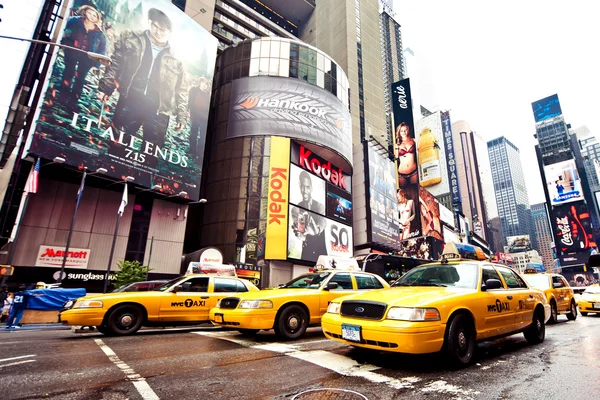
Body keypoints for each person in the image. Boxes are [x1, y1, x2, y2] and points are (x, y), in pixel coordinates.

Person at [97, 8, 188, 167]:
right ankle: (111, 169)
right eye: (155, 26)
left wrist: (181, 115)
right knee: (118, 139)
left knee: (152, 150)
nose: (158, 32)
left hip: (159, 110)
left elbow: (181, 90)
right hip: (130, 99)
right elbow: (116, 63)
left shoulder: (177, 58)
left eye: (163, 29)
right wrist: (106, 87)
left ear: (169, 32)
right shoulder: (131, 39)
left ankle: (146, 181)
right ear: (150, 24)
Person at [58, 5, 107, 109]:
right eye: (90, 13)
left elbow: (101, 51)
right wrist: (64, 45)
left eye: (95, 15)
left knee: (80, 78)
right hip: (72, 52)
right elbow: (66, 33)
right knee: (68, 72)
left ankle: (73, 101)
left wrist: (96, 65)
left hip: (87, 57)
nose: (92, 16)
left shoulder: (99, 33)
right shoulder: (74, 21)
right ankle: (62, 96)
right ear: (84, 12)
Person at [292, 171, 327, 261]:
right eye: (302, 187)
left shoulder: (319, 206)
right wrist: (300, 235)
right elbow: (301, 234)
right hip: (307, 256)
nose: (305, 191)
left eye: (307, 187)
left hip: (322, 257)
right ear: (300, 187)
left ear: (311, 188)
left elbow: (322, 221)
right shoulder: (296, 209)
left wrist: (316, 230)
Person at [188, 77, 211, 161]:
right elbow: (190, 101)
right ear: (200, 82)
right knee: (193, 133)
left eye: (206, 84)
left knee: (202, 137)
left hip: (204, 118)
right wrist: (188, 111)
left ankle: (200, 153)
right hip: (195, 116)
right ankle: (192, 150)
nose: (204, 85)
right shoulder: (194, 90)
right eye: (203, 83)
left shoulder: (208, 95)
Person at [396, 123, 418, 187]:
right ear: (399, 132)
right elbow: (396, 157)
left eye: (405, 130)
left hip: (413, 171)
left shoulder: (413, 140)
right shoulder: (397, 145)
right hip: (402, 173)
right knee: (403, 193)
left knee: (414, 191)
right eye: (402, 131)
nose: (404, 132)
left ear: (408, 130)